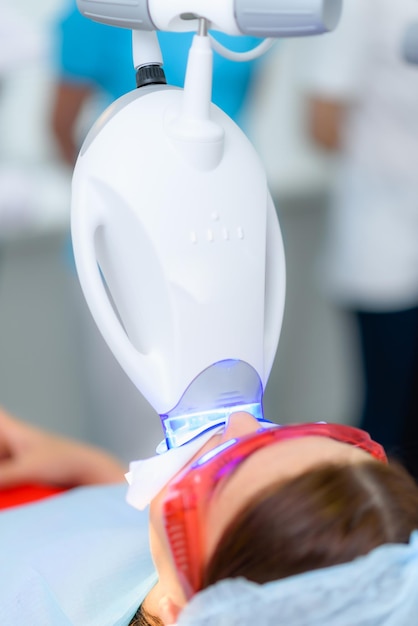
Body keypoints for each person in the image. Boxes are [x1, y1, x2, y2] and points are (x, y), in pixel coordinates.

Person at [1, 406, 418, 625]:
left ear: (181, 614)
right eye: (275, 434)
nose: (239, 420)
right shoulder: (197, 569)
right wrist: (87, 467)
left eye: (224, 464)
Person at [302, 0, 418, 479]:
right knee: (390, 423)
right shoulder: (357, 7)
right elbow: (321, 124)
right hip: (384, 241)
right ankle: (374, 546)